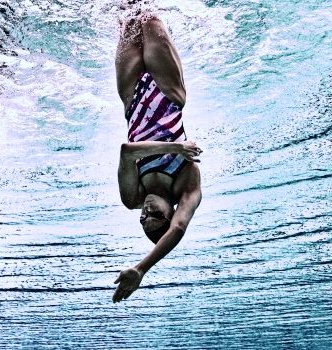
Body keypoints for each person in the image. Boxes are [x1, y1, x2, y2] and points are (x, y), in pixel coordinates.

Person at [112, 11, 203, 303]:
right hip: (168, 92)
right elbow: (178, 229)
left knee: (127, 18)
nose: (147, 211)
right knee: (148, 17)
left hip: (132, 97)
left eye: (144, 218)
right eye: (157, 215)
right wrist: (142, 269)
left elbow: (127, 152)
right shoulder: (186, 184)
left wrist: (176, 149)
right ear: (171, 211)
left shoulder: (132, 196)